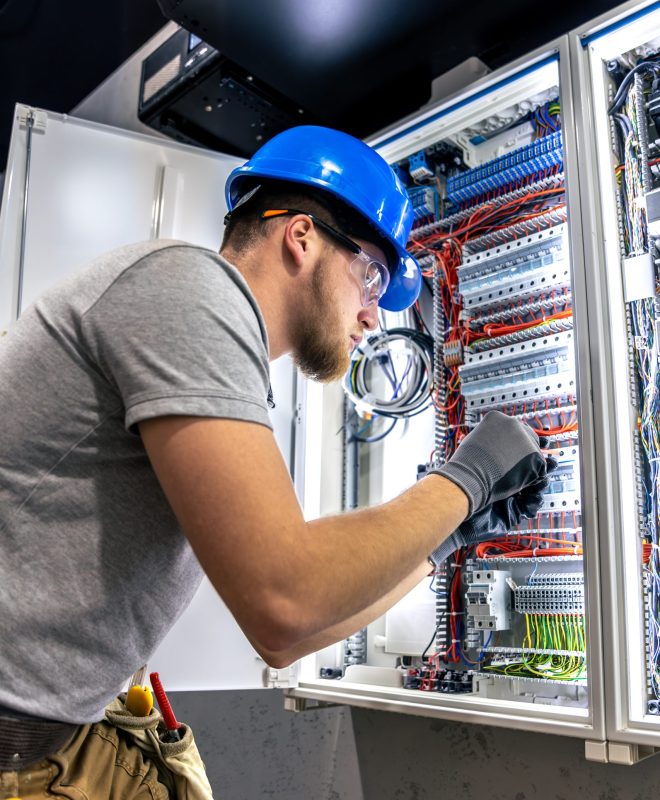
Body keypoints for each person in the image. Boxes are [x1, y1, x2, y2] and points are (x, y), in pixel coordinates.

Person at [0, 125, 550, 796]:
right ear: (301, 237)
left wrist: (446, 540)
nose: (374, 316)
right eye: (372, 276)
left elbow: (287, 640)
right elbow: (286, 599)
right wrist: (466, 478)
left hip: (52, 736)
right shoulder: (187, 290)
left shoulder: (212, 343)